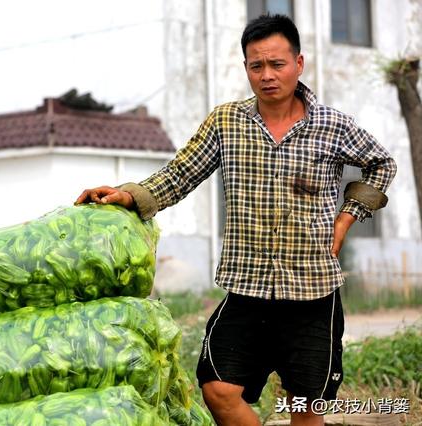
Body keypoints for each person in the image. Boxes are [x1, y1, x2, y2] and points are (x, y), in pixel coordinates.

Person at [75, 14, 397, 426]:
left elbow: (381, 164)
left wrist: (347, 219)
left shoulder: (332, 126)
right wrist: (129, 195)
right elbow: (180, 174)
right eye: (256, 66)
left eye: (277, 64)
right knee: (217, 388)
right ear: (246, 68)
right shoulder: (227, 121)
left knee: (304, 405)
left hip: (313, 291)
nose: (266, 75)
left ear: (299, 64)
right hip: (247, 287)